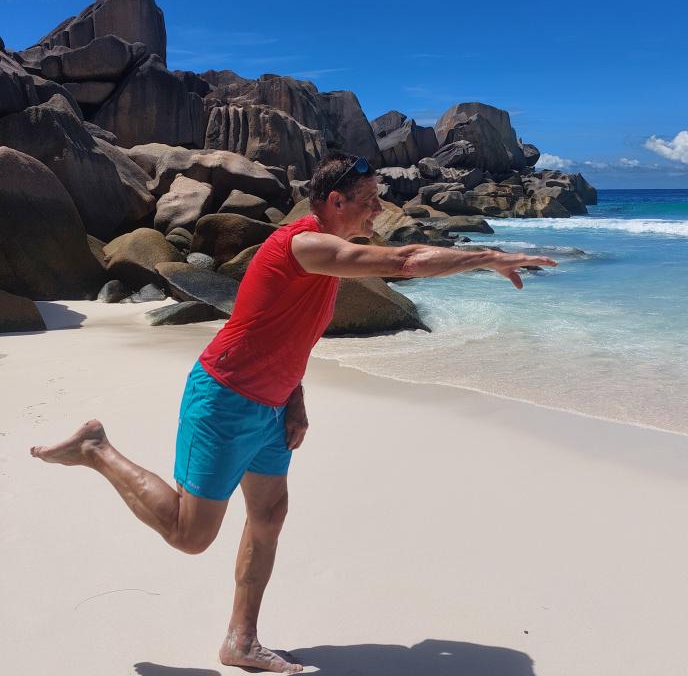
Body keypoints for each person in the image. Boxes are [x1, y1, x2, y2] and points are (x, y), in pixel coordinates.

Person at [30, 152, 557, 673]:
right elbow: (404, 262)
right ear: (336, 201)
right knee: (190, 536)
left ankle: (241, 641)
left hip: (272, 407)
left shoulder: (326, 256)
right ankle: (95, 448)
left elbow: (286, 330)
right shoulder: (304, 245)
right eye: (370, 200)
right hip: (225, 399)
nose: (379, 209)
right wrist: (488, 258)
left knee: (269, 517)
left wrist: (294, 400)